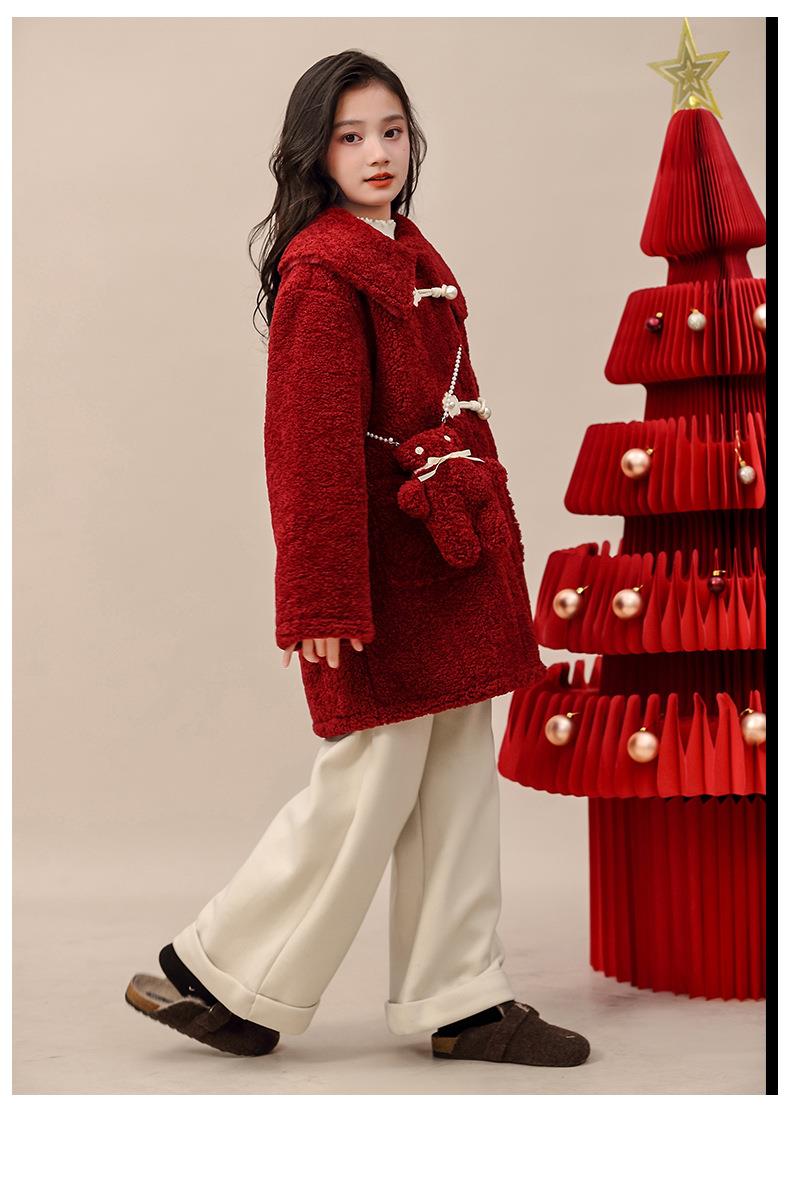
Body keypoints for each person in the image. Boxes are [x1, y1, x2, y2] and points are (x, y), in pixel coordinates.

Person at [125, 49, 591, 1068]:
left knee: (457, 773)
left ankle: (460, 998)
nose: (378, 152)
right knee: (370, 779)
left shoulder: (411, 255)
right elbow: (307, 451)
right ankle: (225, 973)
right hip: (384, 573)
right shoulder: (325, 274)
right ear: (316, 153)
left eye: (392, 131)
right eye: (350, 136)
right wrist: (323, 597)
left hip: (448, 561)